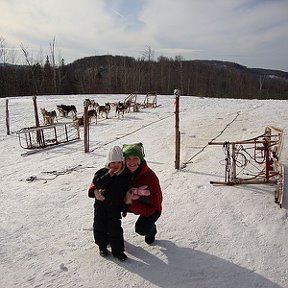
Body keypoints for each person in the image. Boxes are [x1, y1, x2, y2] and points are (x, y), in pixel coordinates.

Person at [88, 146, 129, 261]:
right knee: (99, 226)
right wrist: (108, 175)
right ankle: (102, 246)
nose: (115, 165)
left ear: (122, 162)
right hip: (101, 206)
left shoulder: (124, 176)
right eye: (112, 162)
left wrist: (124, 208)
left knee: (115, 229)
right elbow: (97, 183)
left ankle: (118, 251)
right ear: (108, 163)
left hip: (115, 208)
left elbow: (125, 193)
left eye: (118, 162)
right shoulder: (102, 172)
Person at [122, 143, 162, 244]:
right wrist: (95, 190)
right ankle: (111, 234)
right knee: (106, 207)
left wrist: (131, 201)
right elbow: (103, 176)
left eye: (135, 158)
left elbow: (154, 205)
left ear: (141, 159)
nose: (132, 162)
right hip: (129, 203)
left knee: (141, 229)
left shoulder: (150, 177)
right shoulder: (121, 171)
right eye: (128, 158)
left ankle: (151, 229)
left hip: (150, 207)